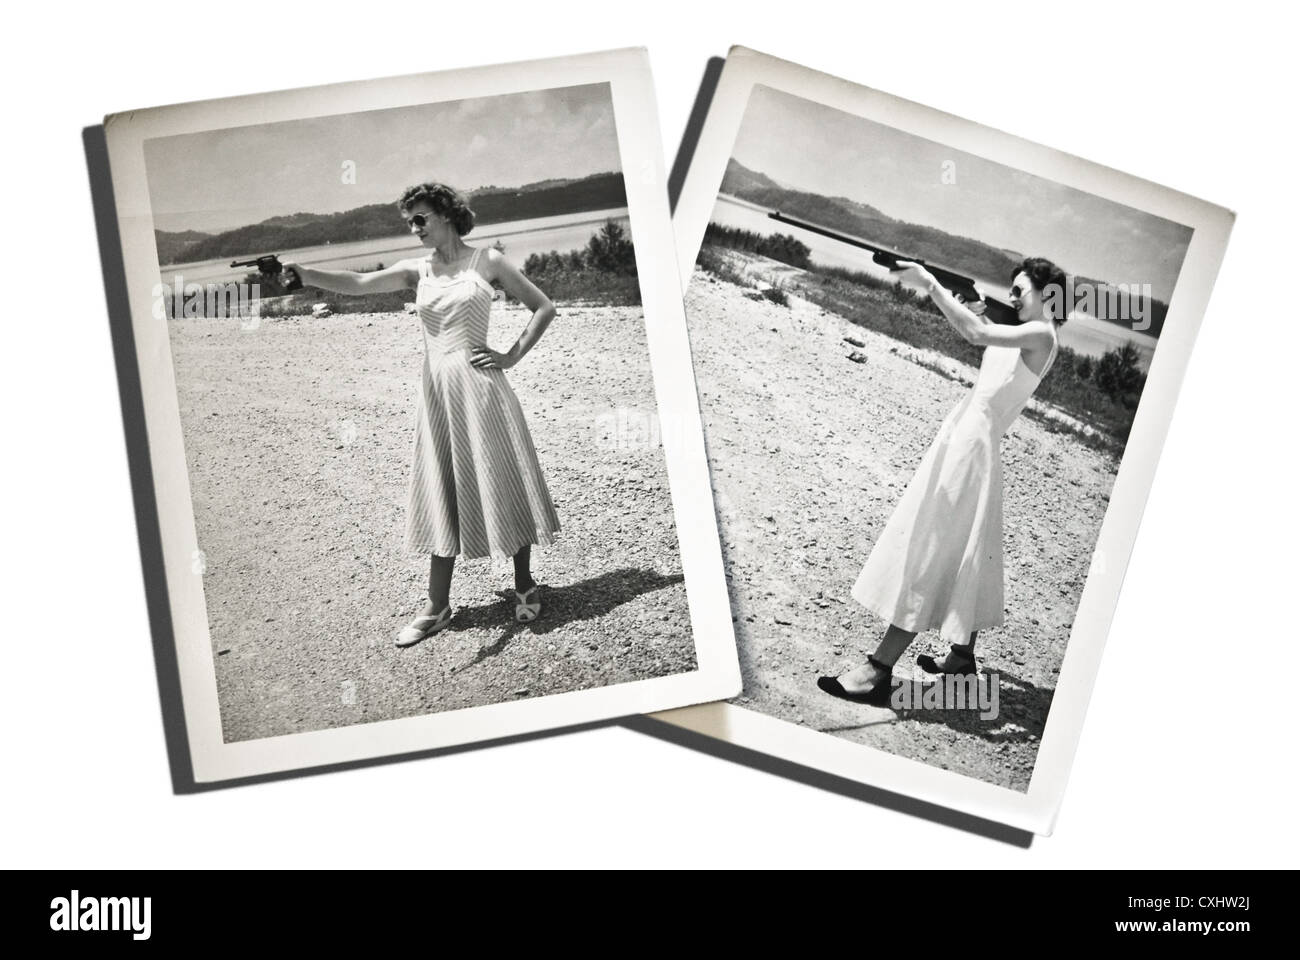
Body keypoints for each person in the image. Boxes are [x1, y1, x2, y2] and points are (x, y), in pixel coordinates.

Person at [283, 181, 560, 648]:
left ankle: (524, 583)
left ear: (446, 214)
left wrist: (511, 356)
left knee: (502, 478)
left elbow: (543, 307)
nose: (413, 228)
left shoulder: (487, 261)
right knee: (440, 487)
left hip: (483, 390)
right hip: (438, 394)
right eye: (409, 221)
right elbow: (358, 285)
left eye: (420, 218)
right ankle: (437, 607)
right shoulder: (418, 270)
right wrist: (305, 274)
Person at [818, 257, 1066, 705]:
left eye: (1020, 290)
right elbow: (986, 334)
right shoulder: (1026, 332)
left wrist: (931, 284)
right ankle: (962, 658)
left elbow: (976, 335)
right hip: (968, 440)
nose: (1012, 297)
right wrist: (972, 305)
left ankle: (878, 671)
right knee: (964, 553)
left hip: (972, 449)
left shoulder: (1042, 334)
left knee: (932, 550)